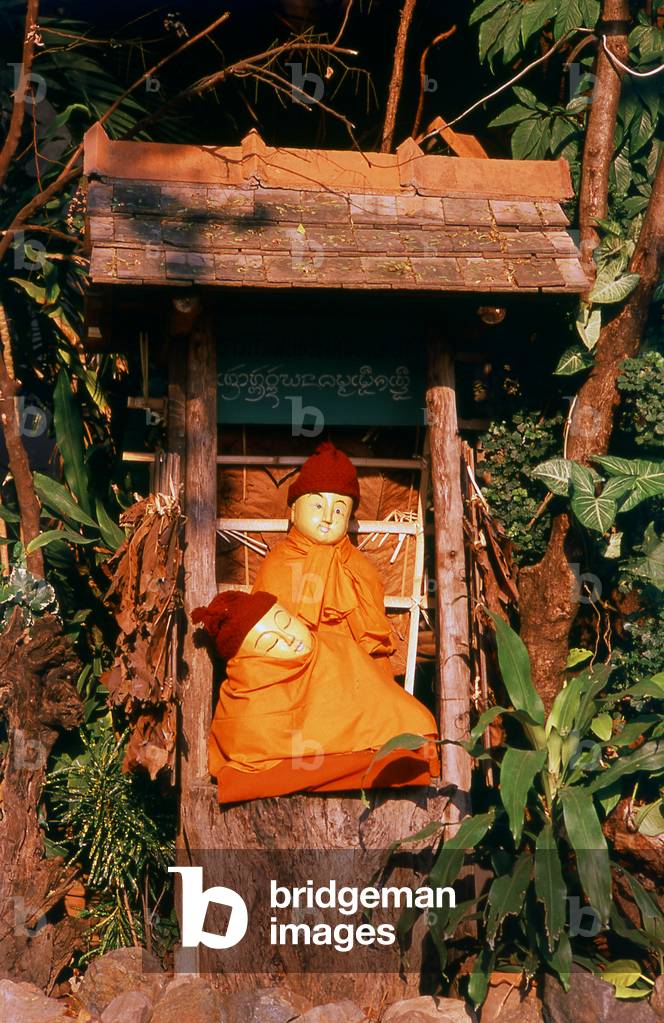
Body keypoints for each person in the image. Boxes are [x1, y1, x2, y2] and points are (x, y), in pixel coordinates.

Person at [192, 590, 438, 804]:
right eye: (271, 643)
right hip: (331, 764)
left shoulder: (338, 648)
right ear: (252, 661)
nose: (291, 639)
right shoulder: (248, 696)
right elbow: (247, 753)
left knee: (411, 750)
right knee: (249, 778)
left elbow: (391, 708)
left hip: (375, 748)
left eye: (286, 623)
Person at [252, 441, 395, 680]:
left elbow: (374, 648)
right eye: (318, 505)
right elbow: (262, 639)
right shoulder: (278, 564)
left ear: (349, 518)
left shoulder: (361, 569)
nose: (328, 517)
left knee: (414, 717)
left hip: (352, 679)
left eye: (339, 510)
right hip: (292, 677)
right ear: (294, 511)